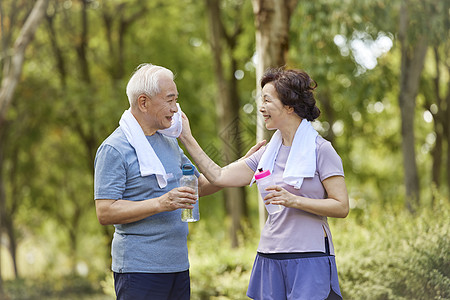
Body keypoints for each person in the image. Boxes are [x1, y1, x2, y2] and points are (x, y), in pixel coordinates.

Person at [94, 63, 264, 300]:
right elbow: (105, 211)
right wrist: (161, 203)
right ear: (143, 102)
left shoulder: (168, 142)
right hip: (139, 271)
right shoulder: (114, 149)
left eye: (176, 100)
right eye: (170, 100)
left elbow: (199, 185)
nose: (176, 110)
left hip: (178, 266)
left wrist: (242, 165)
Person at [179, 67, 349, 300]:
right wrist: (186, 137)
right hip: (269, 256)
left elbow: (341, 206)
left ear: (289, 106)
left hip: (310, 257)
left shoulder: (321, 150)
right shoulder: (266, 153)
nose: (261, 107)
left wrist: (294, 200)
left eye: (267, 100)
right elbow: (218, 176)